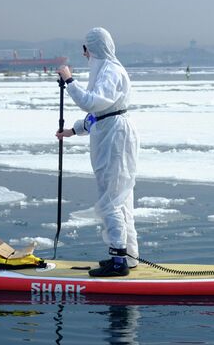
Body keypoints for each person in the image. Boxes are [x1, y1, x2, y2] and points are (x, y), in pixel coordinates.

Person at [56, 27, 140, 277]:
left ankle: (118, 260)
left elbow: (94, 102)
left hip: (115, 138)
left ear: (93, 48)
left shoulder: (111, 71)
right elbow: (100, 112)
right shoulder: (105, 70)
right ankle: (127, 256)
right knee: (120, 197)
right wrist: (74, 130)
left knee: (112, 198)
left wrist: (70, 82)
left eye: (85, 49)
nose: (84, 54)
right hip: (109, 132)